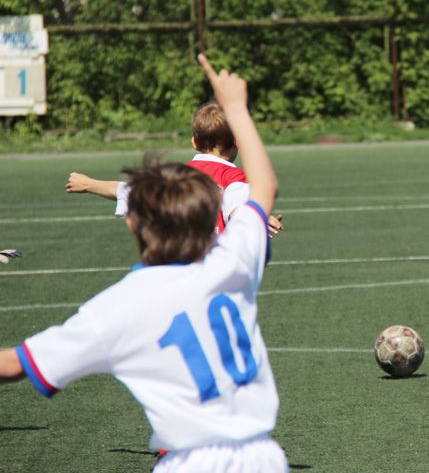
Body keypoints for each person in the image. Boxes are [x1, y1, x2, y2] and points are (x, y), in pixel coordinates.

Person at [0, 55, 289, 472]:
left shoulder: (121, 304)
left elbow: (14, 364)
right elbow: (264, 186)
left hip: (187, 462)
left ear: (132, 222)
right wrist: (237, 108)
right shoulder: (231, 266)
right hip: (263, 458)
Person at [65, 102, 284, 236]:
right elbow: (239, 212)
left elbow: (131, 190)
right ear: (237, 141)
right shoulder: (235, 178)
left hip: (179, 267)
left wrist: (88, 184)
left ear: (194, 143)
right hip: (217, 272)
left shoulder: (177, 176)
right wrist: (258, 218)